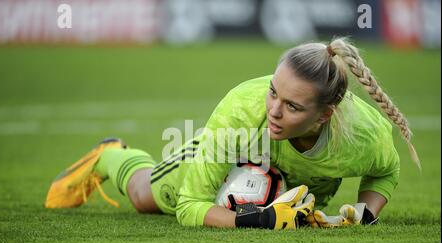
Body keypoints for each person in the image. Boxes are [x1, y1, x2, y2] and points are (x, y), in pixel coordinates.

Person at [45, 37, 420, 230]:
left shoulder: (363, 136)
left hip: (278, 186)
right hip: (227, 160)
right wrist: (259, 221)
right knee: (146, 198)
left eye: (292, 107)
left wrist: (367, 214)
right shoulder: (242, 110)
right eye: (274, 91)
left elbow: (386, 170)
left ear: (324, 116)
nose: (273, 110)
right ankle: (111, 155)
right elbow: (191, 206)